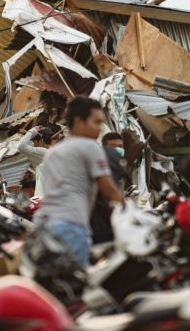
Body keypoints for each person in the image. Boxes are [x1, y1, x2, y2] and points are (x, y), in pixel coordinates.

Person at [36, 96, 123, 267]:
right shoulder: (90, 147)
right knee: (74, 287)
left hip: (44, 225)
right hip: (71, 226)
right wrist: (132, 212)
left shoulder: (53, 152)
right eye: (96, 122)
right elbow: (109, 191)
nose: (99, 129)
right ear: (78, 121)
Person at [90, 132, 129, 244]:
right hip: (100, 226)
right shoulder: (100, 164)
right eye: (113, 147)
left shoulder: (119, 164)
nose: (117, 149)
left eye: (120, 146)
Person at [17, 125, 55, 197]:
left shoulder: (42, 152)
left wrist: (33, 130)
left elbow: (21, 146)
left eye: (34, 142)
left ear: (40, 141)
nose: (34, 145)